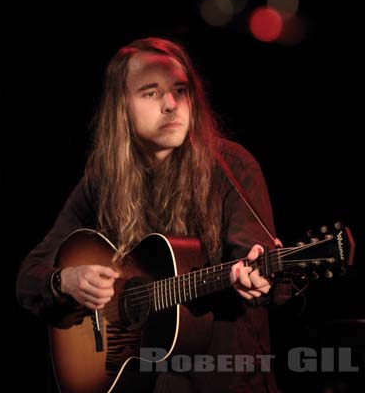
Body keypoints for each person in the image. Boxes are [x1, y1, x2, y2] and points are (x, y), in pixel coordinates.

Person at [16, 36, 286, 392]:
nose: (172, 105)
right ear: (122, 107)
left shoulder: (230, 166)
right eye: (151, 93)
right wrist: (65, 281)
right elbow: (29, 278)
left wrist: (266, 278)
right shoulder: (103, 180)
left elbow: (266, 270)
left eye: (180, 90)